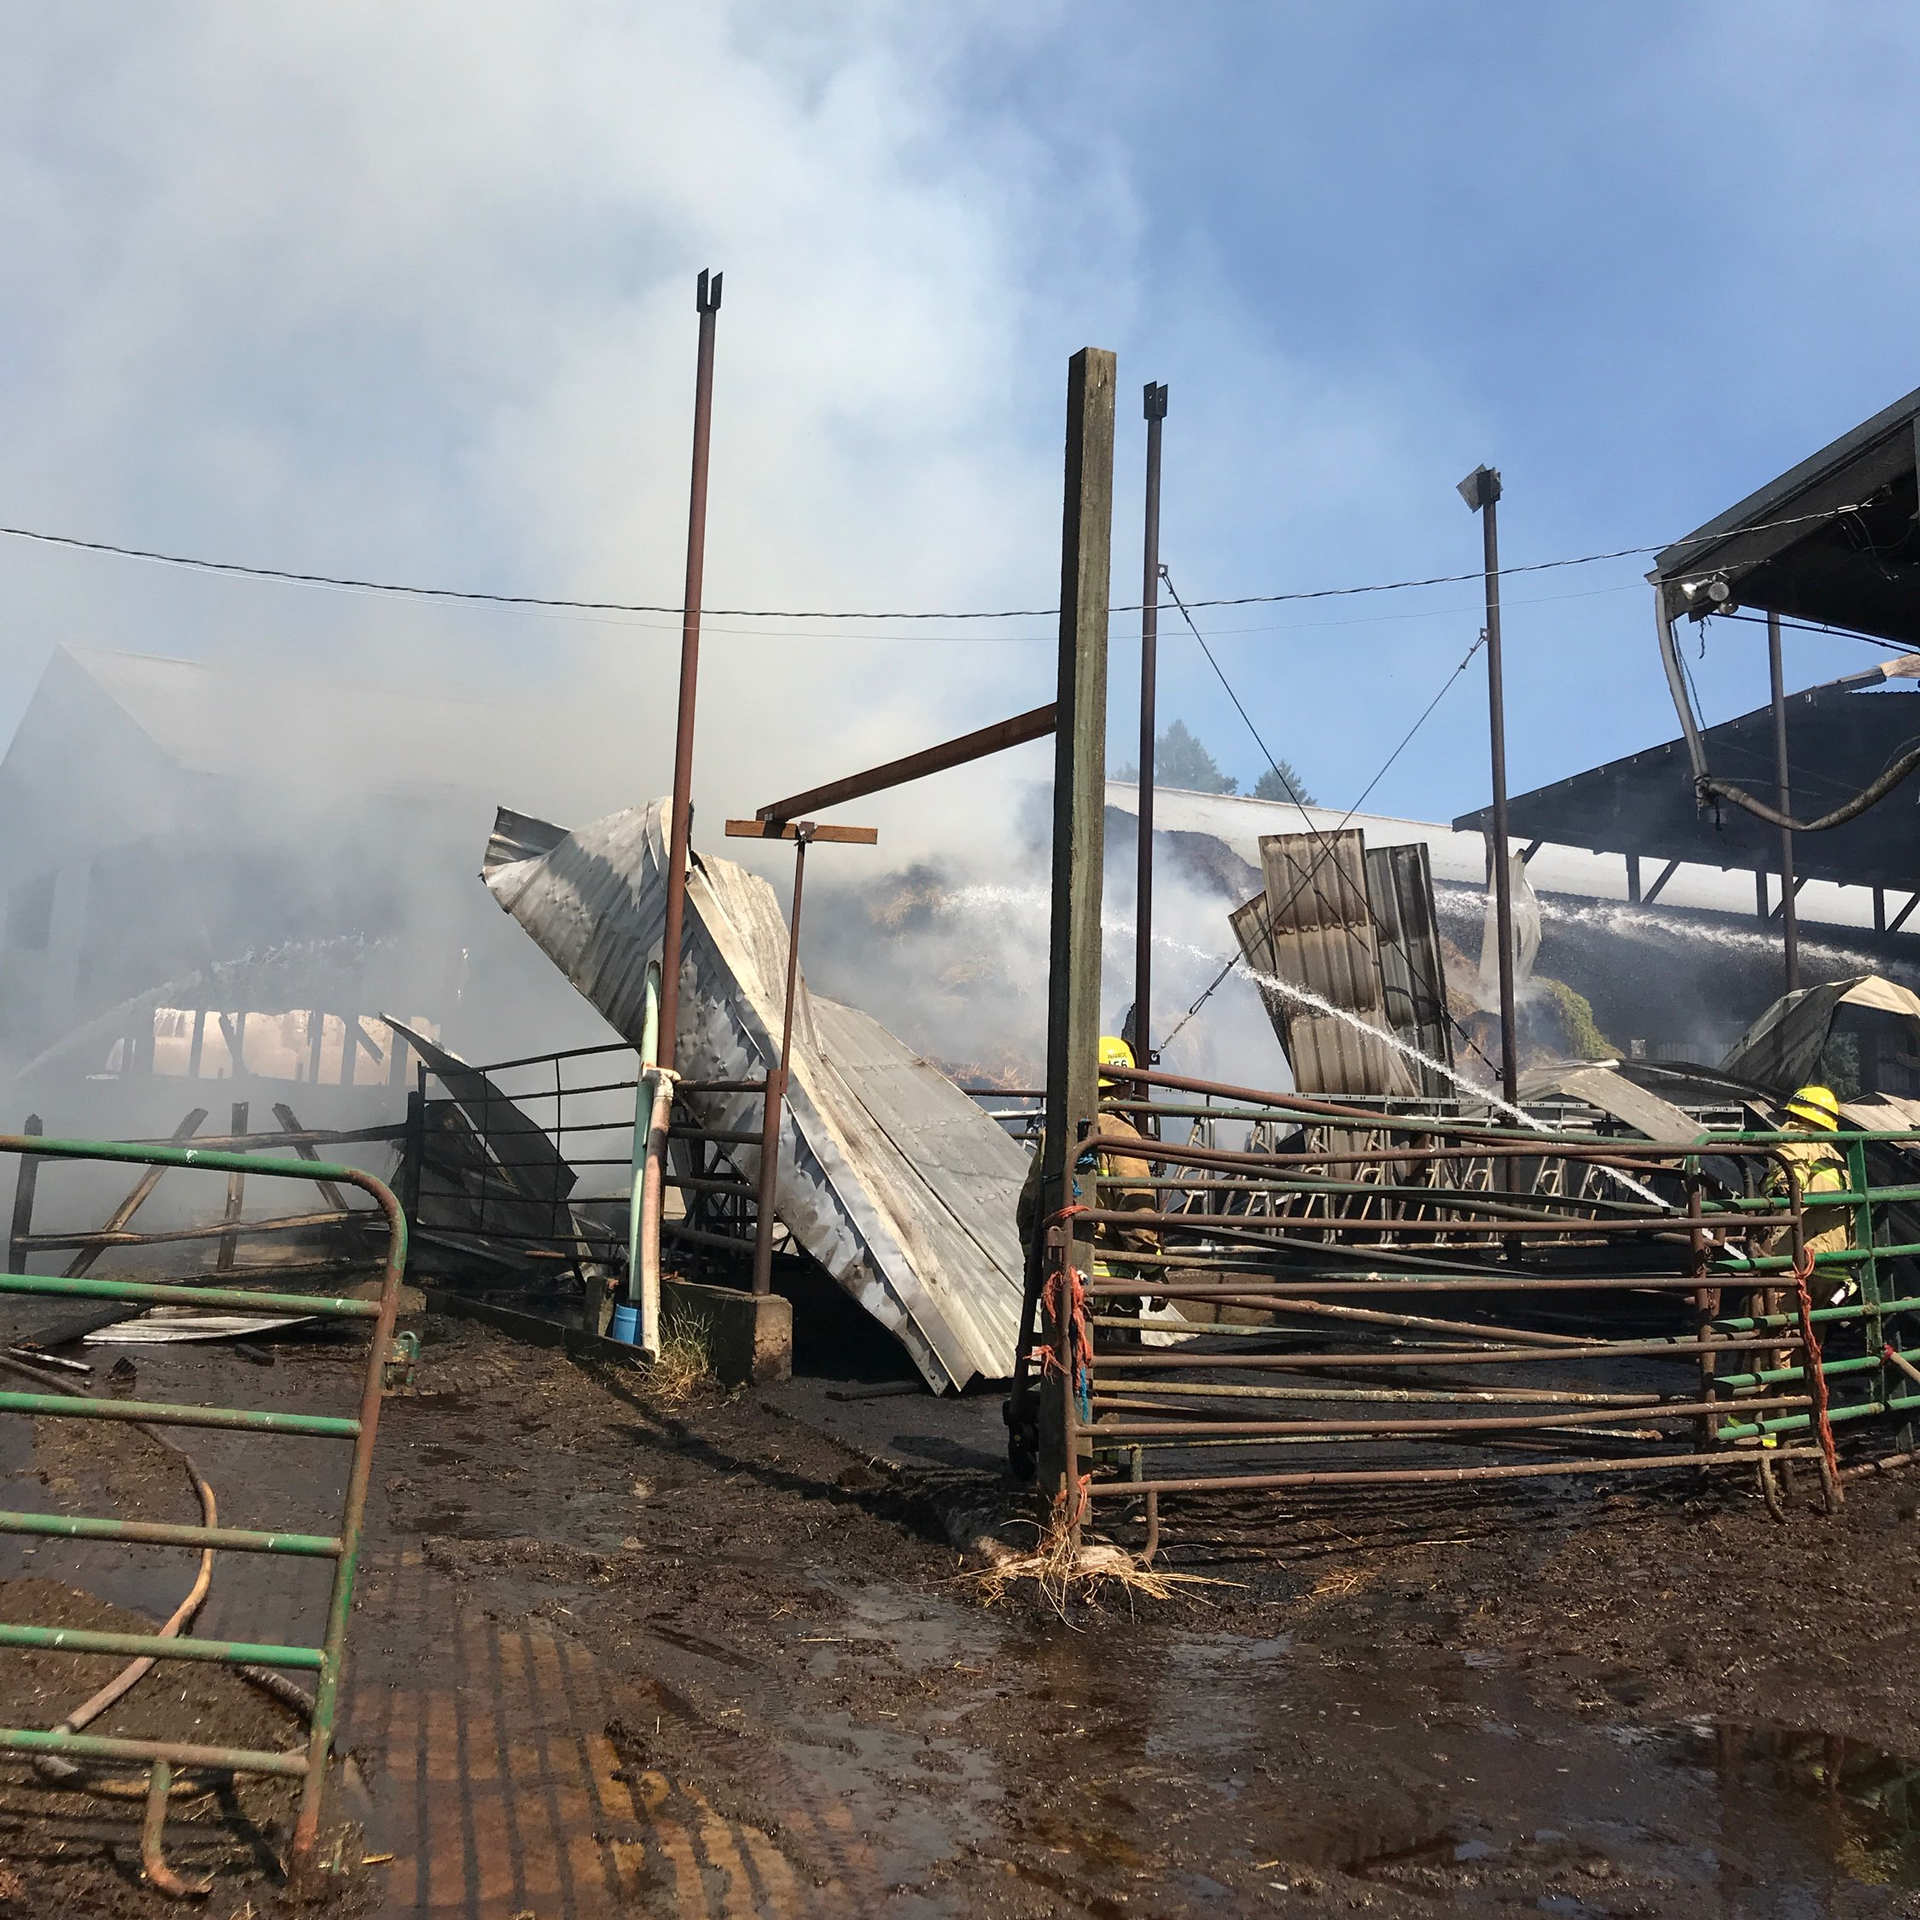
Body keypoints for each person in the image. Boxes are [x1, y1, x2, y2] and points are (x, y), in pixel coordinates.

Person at [1016, 1036, 1160, 1339]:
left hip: (1061, 1279)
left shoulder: (1055, 1133)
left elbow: (1029, 1207)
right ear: (1123, 1084)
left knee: (1066, 1367)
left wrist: (1035, 1260)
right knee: (1106, 1374)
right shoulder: (1122, 1134)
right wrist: (1155, 1272)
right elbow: (1137, 1215)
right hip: (1113, 1287)